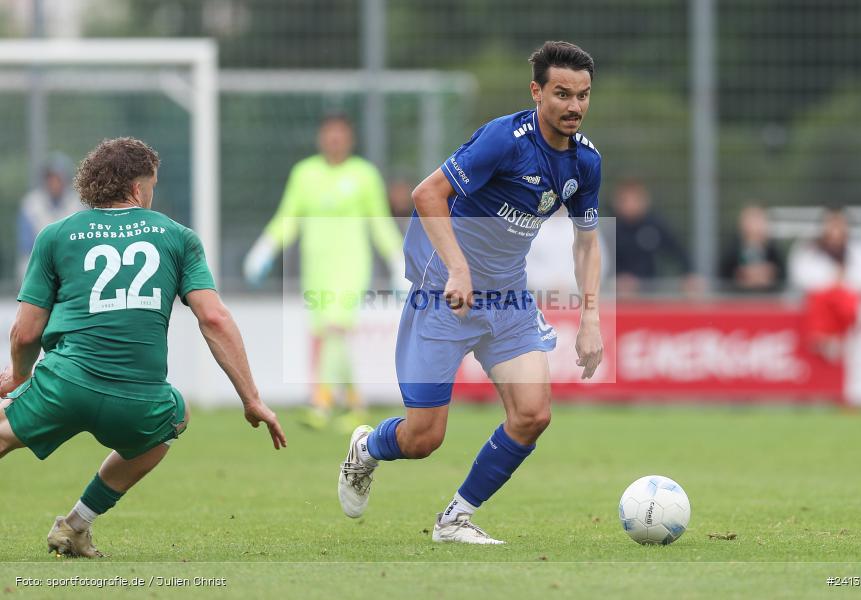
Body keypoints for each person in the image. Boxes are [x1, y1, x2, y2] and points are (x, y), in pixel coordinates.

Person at [337, 41, 604, 544]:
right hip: (444, 293)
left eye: (583, 96)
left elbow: (586, 243)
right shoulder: (504, 140)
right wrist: (458, 270)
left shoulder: (585, 162)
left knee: (533, 415)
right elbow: (426, 193)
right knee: (423, 438)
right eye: (562, 94)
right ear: (537, 91)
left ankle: (454, 519)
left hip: (507, 300)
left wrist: (590, 317)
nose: (574, 106)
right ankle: (367, 448)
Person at [0, 137, 286, 558]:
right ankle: (77, 524)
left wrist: (20, 378)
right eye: (151, 184)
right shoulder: (177, 237)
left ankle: (75, 526)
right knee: (176, 414)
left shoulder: (56, 236)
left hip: (63, 384)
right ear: (137, 189)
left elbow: (25, 334)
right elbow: (214, 319)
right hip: (138, 399)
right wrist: (252, 399)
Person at [244, 115, 403, 432]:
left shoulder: (364, 174)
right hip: (316, 266)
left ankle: (321, 402)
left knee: (335, 327)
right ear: (321, 138)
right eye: (329, 135)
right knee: (329, 334)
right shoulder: (305, 173)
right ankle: (356, 405)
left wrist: (398, 260)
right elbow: (288, 217)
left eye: (340, 135)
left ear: (350, 139)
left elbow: (379, 223)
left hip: (352, 264)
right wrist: (266, 247)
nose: (334, 140)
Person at [787, 207, 861, 361]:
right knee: (822, 298)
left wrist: (842, 281)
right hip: (821, 297)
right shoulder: (809, 247)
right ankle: (825, 339)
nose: (835, 230)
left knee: (846, 300)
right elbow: (801, 276)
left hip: (848, 298)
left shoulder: (858, 248)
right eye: (831, 224)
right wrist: (832, 279)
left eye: (839, 224)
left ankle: (837, 338)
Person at [611, 178, 701, 296]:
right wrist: (618, 278)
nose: (630, 205)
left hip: (651, 292)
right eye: (626, 200)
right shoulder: (609, 228)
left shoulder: (655, 225)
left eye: (635, 199)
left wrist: (689, 274)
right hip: (615, 294)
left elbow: (677, 251)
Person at [17, 152, 83, 278]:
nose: (54, 183)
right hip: (39, 260)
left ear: (66, 179)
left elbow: (83, 241)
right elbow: (26, 244)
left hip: (71, 259)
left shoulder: (79, 202)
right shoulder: (31, 203)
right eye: (50, 178)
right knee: (25, 265)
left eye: (58, 178)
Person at [719, 204, 785, 293]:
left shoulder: (773, 250)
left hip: (767, 300)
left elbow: (782, 276)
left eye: (758, 220)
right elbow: (723, 277)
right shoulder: (732, 250)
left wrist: (769, 274)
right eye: (752, 220)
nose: (755, 225)